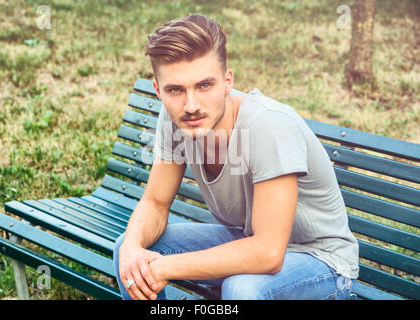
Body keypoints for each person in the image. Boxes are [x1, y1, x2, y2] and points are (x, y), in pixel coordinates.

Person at [113, 14, 359, 300]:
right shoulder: (173, 120)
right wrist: (132, 248)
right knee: (128, 254)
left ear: (227, 81)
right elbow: (155, 203)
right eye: (176, 89)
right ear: (158, 90)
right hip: (249, 240)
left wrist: (165, 267)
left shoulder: (267, 126)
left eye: (204, 85)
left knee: (241, 288)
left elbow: (268, 253)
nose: (191, 105)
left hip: (322, 262)